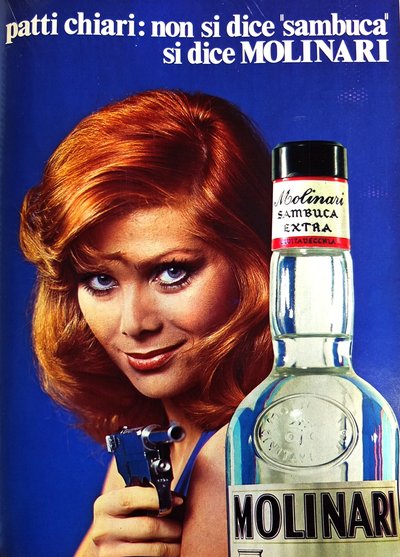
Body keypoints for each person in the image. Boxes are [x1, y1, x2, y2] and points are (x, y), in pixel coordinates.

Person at [19, 89, 273, 557]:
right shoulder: (148, 451)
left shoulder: (238, 459)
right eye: (100, 280)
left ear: (252, 265)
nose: (134, 324)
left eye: (172, 272)